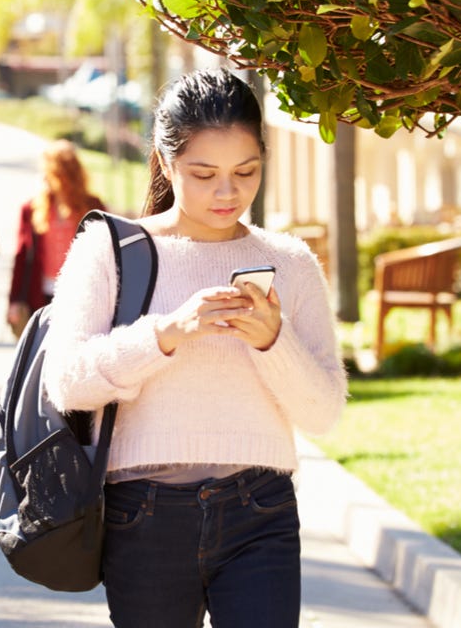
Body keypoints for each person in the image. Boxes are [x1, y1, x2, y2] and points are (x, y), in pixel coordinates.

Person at [41, 69, 347, 627]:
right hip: (143, 514)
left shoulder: (293, 262)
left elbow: (324, 413)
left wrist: (272, 342)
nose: (227, 193)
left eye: (245, 171)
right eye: (204, 173)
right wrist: (166, 334)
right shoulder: (109, 250)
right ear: (164, 159)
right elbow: (67, 381)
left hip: (262, 510)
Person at [6, 139, 104, 337]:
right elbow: (22, 256)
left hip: (81, 294)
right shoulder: (32, 209)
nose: (45, 177)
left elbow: (106, 253)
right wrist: (14, 300)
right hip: (40, 295)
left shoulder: (93, 206)